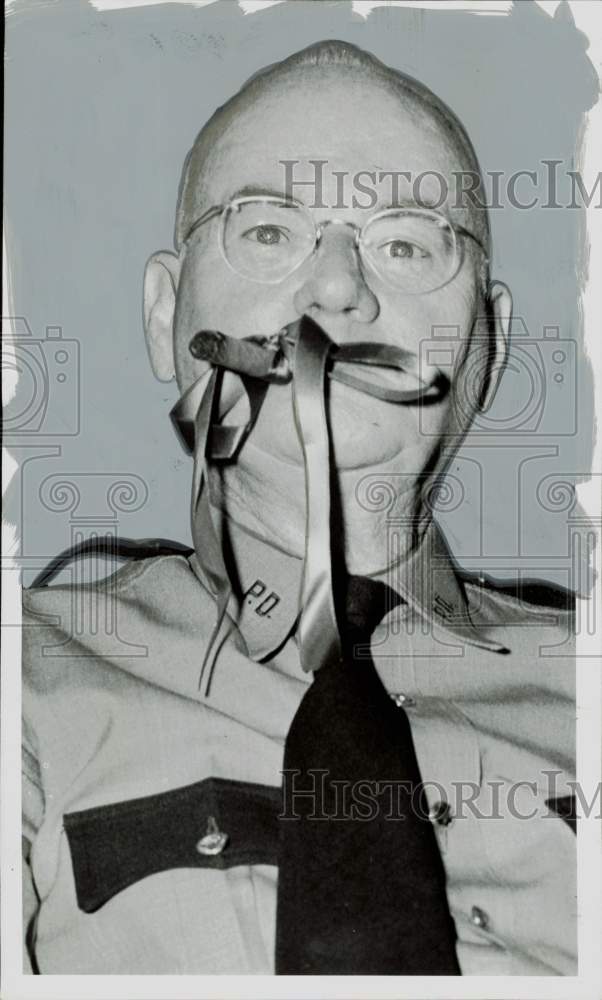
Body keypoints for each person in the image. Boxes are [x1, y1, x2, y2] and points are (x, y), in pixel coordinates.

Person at [22, 40, 576, 976]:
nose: (336, 290)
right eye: (270, 232)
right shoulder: (27, 686)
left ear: (492, 345)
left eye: (407, 243)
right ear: (166, 316)